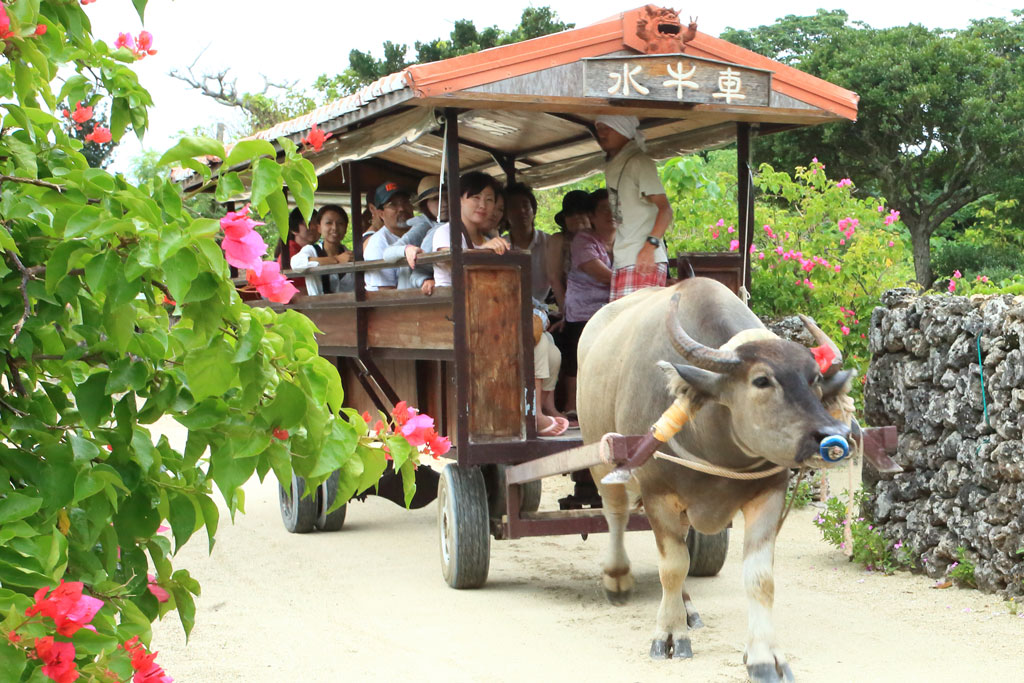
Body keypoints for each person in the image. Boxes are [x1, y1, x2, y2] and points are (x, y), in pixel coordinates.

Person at [595, 114, 673, 301]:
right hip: (626, 259)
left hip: (642, 259)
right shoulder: (615, 165)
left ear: (623, 129)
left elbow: (666, 210)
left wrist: (649, 248)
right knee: (623, 327)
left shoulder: (639, 162)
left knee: (637, 328)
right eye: (599, 129)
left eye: (607, 128)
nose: (601, 134)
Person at [561, 189, 615, 417]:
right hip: (583, 312)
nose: (611, 214)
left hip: (614, 308)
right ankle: (573, 407)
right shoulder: (583, 240)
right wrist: (640, 278)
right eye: (604, 209)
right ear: (591, 216)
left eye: (614, 209)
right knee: (577, 360)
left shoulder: (627, 239)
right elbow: (603, 275)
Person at [429, 172, 509, 287]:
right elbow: (454, 264)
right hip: (453, 301)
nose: (482, 205)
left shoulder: (487, 240)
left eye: (489, 200)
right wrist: (483, 251)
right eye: (476, 197)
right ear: (459, 199)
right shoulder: (446, 232)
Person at [380, 175, 446, 295]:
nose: (444, 203)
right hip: (414, 296)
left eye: (447, 197)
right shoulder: (424, 226)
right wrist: (407, 250)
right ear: (425, 204)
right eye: (436, 199)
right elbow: (387, 253)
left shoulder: (457, 224)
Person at [545, 189, 592, 315]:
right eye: (571, 213)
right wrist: (567, 312)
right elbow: (555, 278)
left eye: (581, 212)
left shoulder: (602, 239)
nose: (576, 217)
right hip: (572, 308)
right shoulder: (559, 240)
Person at [290, 205, 354, 295]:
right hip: (318, 307)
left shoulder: (350, 255)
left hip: (350, 307)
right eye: (328, 223)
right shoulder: (312, 251)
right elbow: (296, 263)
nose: (334, 228)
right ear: (319, 227)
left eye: (340, 223)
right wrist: (337, 260)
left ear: (346, 228)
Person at [363, 182, 415, 291]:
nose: (401, 208)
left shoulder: (419, 233)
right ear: (381, 214)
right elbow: (386, 292)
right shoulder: (378, 243)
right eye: (393, 204)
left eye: (405, 202)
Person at [504, 182, 550, 304]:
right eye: (513, 207)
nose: (521, 211)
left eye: (525, 205)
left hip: (545, 308)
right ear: (505, 213)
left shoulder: (549, 242)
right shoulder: (501, 246)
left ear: (533, 210)